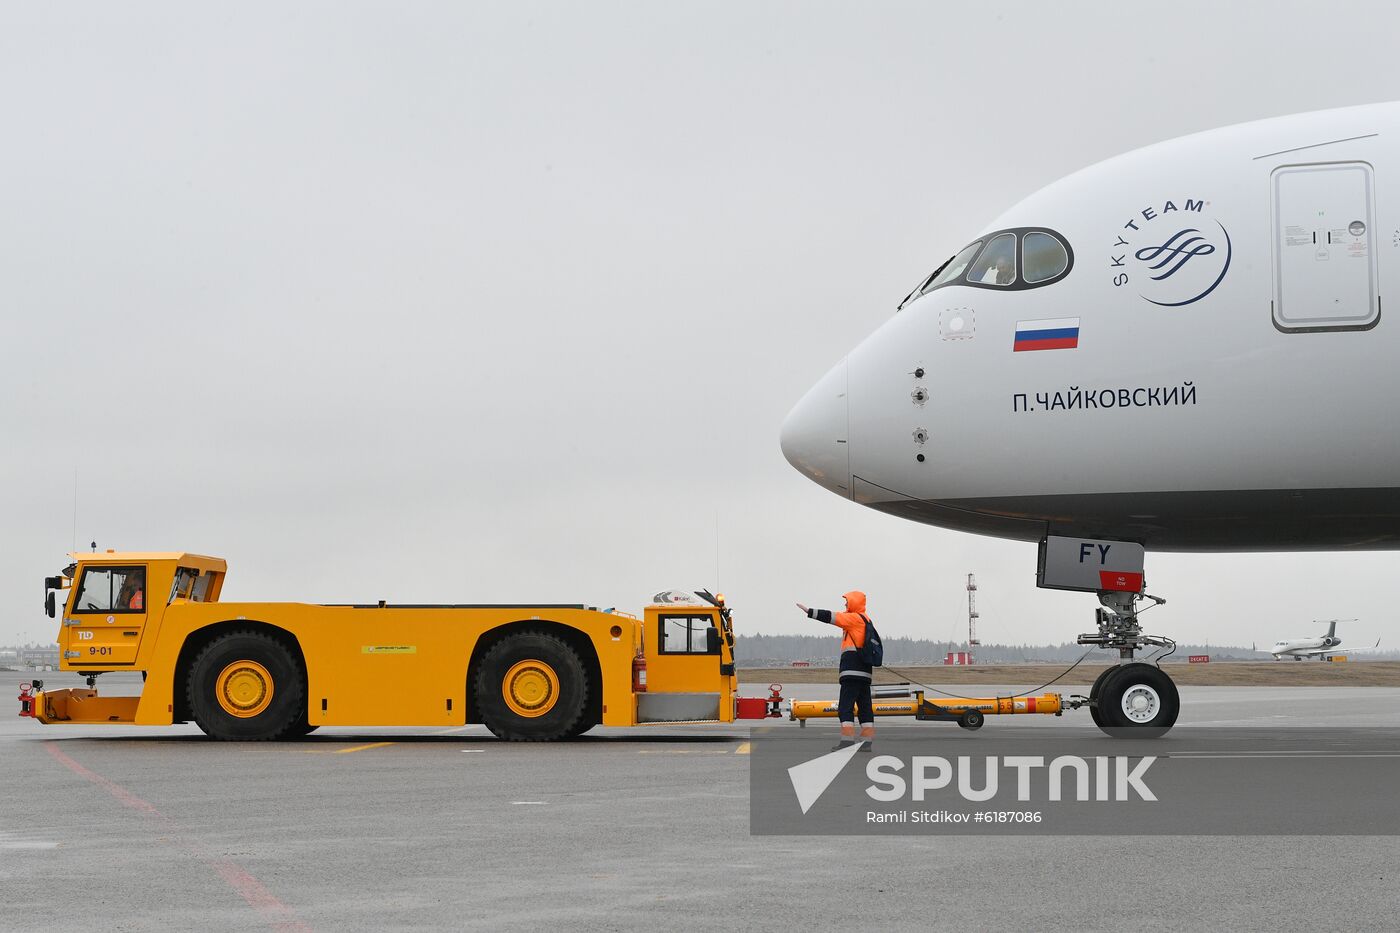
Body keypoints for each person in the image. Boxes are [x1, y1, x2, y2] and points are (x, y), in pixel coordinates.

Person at [796, 591, 875, 751]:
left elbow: (832, 617)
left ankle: (847, 742)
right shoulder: (866, 620)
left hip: (852, 672)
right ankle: (866, 742)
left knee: (845, 708)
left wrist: (810, 611)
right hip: (864, 673)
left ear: (854, 603)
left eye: (847, 601)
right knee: (865, 708)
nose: (845, 604)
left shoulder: (854, 618)